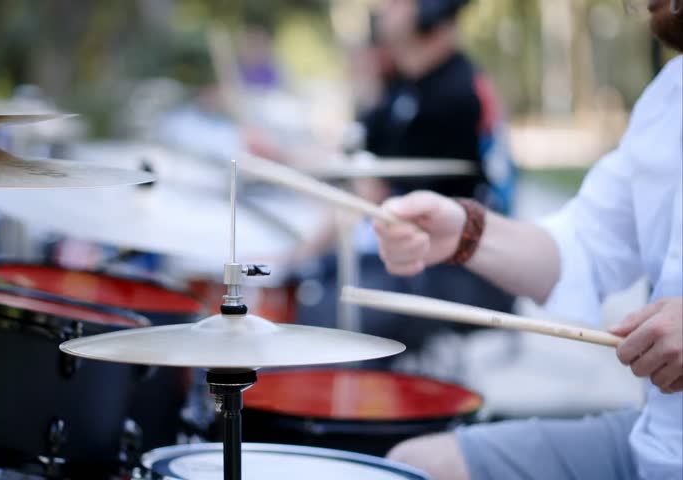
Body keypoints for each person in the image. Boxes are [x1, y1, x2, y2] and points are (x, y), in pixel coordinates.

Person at [373, 1, 683, 478]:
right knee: (413, 466)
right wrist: (464, 230)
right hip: (658, 436)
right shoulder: (670, 96)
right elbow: (582, 247)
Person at [292, 0, 517, 371]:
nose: (382, 8)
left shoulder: (456, 93)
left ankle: (356, 420)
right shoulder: (407, 87)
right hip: (416, 252)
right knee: (318, 278)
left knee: (332, 311)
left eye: (398, 3)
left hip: (462, 267)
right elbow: (353, 159)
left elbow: (372, 190)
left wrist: (298, 252)